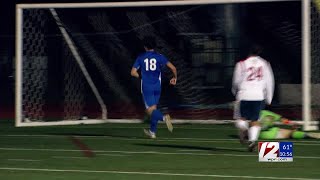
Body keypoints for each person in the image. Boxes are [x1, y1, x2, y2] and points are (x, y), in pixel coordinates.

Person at [131, 36, 177, 139]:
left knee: (149, 111)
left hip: (147, 87)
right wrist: (174, 78)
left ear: (145, 46)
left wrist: (141, 76)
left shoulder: (141, 57)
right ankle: (152, 132)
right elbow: (173, 68)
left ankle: (164, 118)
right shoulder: (160, 56)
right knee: (154, 109)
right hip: (157, 87)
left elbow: (133, 72)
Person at [232, 45, 274, 152]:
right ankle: (252, 141)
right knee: (255, 121)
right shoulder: (265, 63)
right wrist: (269, 97)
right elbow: (269, 81)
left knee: (240, 119)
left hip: (244, 94)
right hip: (258, 95)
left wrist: (234, 92)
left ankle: (244, 129)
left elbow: (236, 82)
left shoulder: (241, 64)